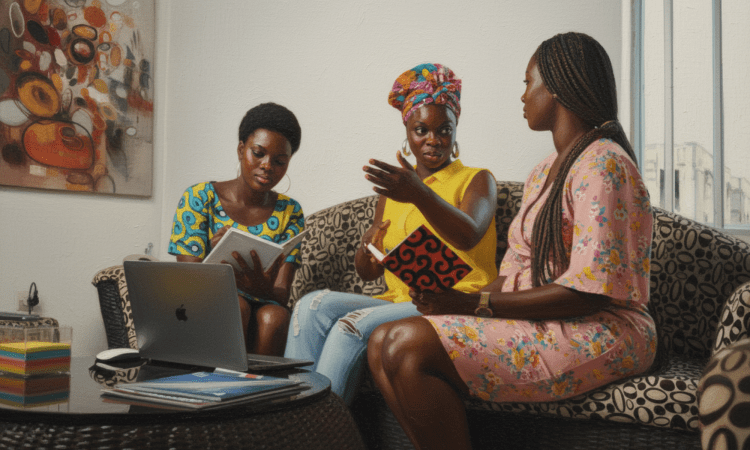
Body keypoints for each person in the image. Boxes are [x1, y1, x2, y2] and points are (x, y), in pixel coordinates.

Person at [367, 32, 657, 450]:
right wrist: (448, 298)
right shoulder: (543, 173)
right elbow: (515, 275)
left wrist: (473, 305)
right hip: (547, 318)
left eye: (527, 83)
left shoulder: (604, 165)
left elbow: (589, 295)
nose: (523, 96)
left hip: (601, 329)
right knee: (382, 341)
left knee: (404, 344)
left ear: (555, 87)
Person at [284, 63, 498, 405]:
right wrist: (366, 251)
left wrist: (418, 192)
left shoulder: (477, 179)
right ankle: (295, 419)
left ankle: (319, 430)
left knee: (350, 325)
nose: (433, 140)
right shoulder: (394, 190)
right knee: (312, 306)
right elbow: (369, 271)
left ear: (456, 130)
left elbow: (469, 235)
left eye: (444, 129)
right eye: (421, 130)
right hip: (399, 301)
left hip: (455, 298)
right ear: (407, 132)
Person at [168, 102, 304, 357]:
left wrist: (259, 286)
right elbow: (187, 281)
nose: (267, 165)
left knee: (275, 317)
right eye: (258, 153)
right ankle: (221, 388)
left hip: (264, 301)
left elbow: (281, 295)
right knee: (236, 306)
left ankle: (260, 393)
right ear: (241, 149)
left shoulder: (290, 211)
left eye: (279, 161)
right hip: (204, 299)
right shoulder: (199, 197)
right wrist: (215, 257)